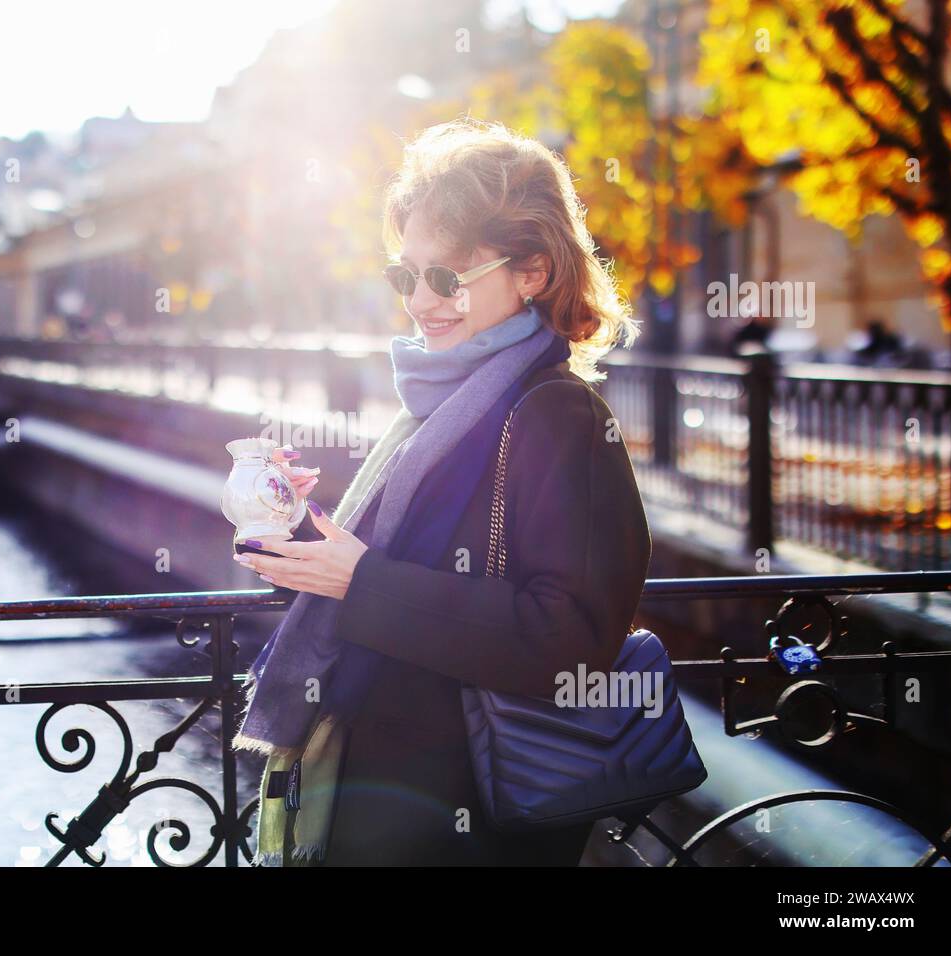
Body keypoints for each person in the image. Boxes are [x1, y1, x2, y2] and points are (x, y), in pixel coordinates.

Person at [230, 117, 652, 867]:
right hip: (394, 797)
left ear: (534, 273)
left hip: (468, 816)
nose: (422, 301)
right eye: (406, 276)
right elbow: (403, 566)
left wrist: (360, 582)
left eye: (449, 276)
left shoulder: (557, 414)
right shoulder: (442, 407)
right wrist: (302, 528)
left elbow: (572, 643)